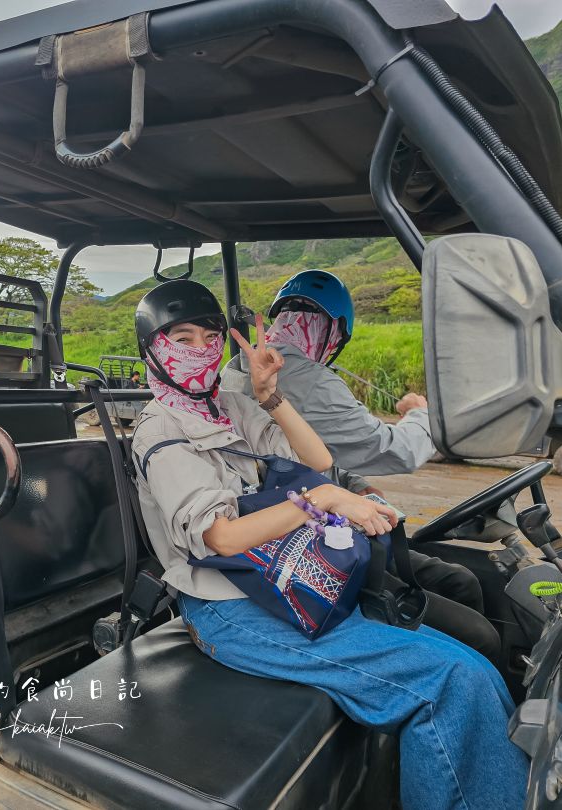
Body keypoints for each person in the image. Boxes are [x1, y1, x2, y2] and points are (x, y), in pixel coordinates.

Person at [130, 279, 526, 810]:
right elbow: (219, 536)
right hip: (230, 608)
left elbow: (314, 462)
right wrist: (327, 501)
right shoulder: (161, 429)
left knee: (470, 668)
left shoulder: (229, 404)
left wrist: (271, 396)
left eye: (209, 337)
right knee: (454, 682)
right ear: (153, 348)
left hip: (282, 579)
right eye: (182, 337)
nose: (199, 350)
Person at [225, 270, 497, 660]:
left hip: (302, 518)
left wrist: (353, 485)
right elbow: (393, 450)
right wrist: (419, 413)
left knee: (462, 580)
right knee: (478, 630)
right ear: (334, 332)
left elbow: (307, 457)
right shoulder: (307, 377)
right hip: (309, 540)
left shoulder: (239, 369)